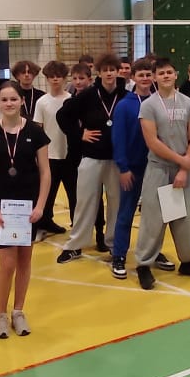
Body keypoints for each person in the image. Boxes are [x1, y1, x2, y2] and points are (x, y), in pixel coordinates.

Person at [0, 80, 50, 338]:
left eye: (13, 99)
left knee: (24, 261)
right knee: (7, 264)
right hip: (2, 209)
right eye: (4, 99)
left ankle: (18, 311)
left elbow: (45, 172)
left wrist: (41, 206)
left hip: (28, 208)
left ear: (22, 101)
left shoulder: (35, 132)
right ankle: (0, 314)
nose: (9, 103)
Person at [133, 58, 190, 289]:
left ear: (176, 74)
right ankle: (144, 264)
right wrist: (182, 162)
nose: (165, 76)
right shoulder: (149, 105)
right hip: (159, 168)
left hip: (183, 168)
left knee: (184, 218)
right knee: (154, 219)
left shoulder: (188, 103)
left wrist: (185, 168)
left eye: (169, 72)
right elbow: (152, 141)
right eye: (161, 73)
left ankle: (189, 261)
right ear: (155, 78)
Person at [55, 52, 124, 263]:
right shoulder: (88, 95)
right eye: (105, 70)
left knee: (116, 203)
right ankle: (75, 245)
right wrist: (79, 134)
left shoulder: (125, 95)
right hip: (91, 157)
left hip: (117, 160)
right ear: (99, 73)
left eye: (112, 70)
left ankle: (113, 244)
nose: (109, 74)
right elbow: (62, 116)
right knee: (85, 202)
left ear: (118, 71)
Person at [109, 57, 157, 280]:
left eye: (148, 74)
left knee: (155, 214)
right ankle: (118, 255)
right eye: (141, 75)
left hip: (156, 167)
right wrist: (123, 167)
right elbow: (118, 139)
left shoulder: (159, 102)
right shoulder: (124, 105)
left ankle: (152, 252)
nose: (145, 78)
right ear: (133, 77)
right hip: (133, 169)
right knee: (126, 213)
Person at [33, 61, 71, 235]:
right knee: (48, 194)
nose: (55, 79)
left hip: (70, 156)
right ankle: (45, 223)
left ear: (64, 78)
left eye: (59, 76)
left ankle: (77, 226)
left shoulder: (71, 100)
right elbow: (38, 129)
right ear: (47, 78)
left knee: (74, 195)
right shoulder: (42, 102)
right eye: (52, 76)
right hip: (49, 156)